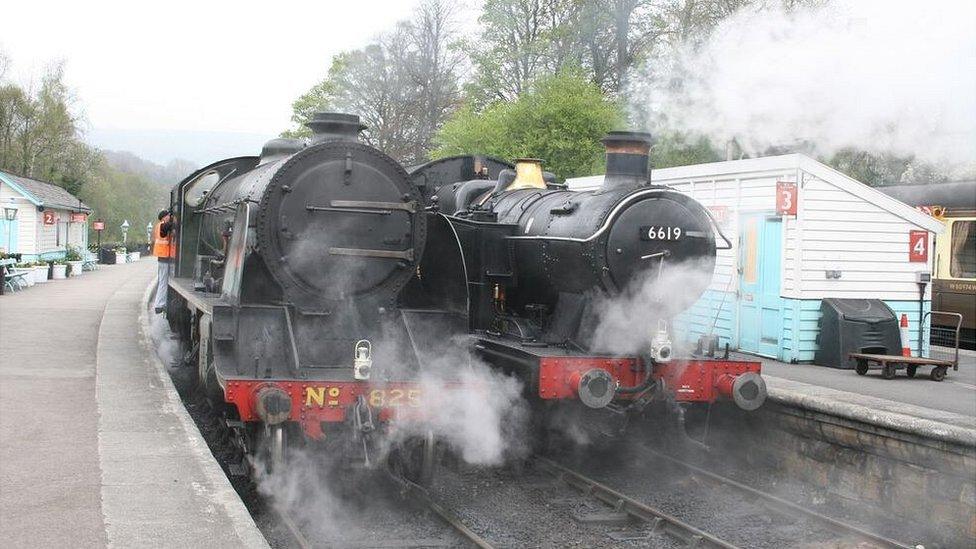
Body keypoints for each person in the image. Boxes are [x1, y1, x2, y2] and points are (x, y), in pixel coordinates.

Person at [152, 209, 176, 313]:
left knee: (162, 280)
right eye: (167, 216)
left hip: (163, 258)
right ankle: (159, 304)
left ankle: (161, 303)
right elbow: (170, 226)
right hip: (164, 258)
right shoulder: (162, 225)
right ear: (163, 217)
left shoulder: (159, 226)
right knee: (163, 281)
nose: (169, 217)